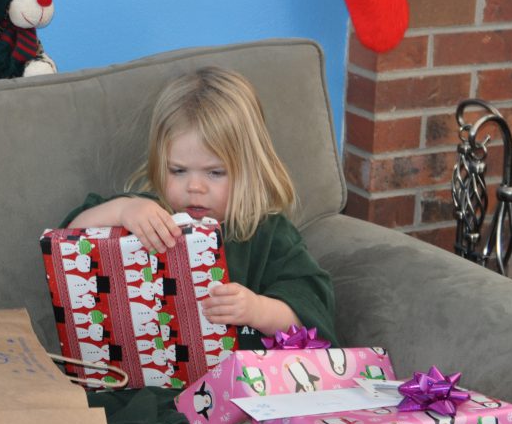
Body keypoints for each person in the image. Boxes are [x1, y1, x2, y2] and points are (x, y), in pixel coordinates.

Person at [63, 66, 336, 344]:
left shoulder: (268, 233)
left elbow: (312, 308)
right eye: (178, 171)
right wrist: (121, 210)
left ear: (250, 170)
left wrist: (257, 310)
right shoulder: (146, 214)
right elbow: (66, 243)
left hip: (236, 379)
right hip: (145, 375)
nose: (194, 187)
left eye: (215, 173)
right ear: (160, 165)